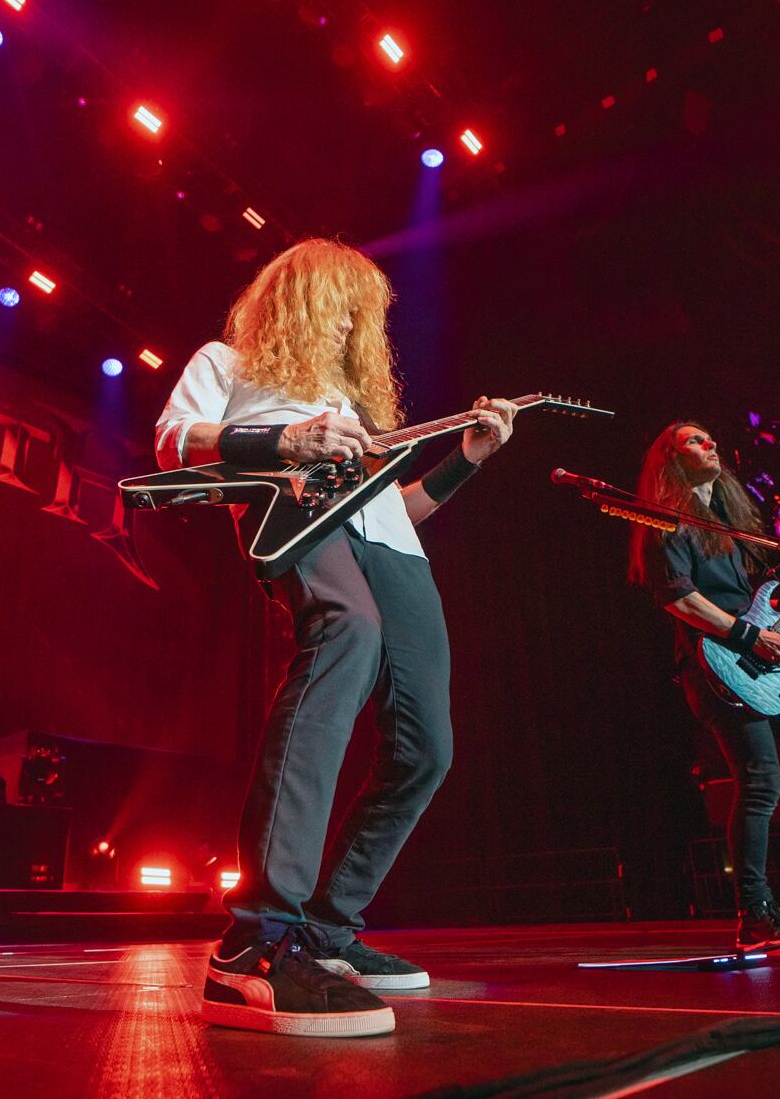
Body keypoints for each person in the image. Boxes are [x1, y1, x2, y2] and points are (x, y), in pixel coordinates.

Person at [154, 238, 517, 1037]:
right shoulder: (228, 361)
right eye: (345, 299)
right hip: (300, 529)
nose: (359, 319)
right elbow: (173, 440)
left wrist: (466, 459)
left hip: (396, 553)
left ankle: (324, 932)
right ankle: (253, 942)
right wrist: (284, 441)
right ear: (303, 295)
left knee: (427, 746)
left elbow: (398, 512)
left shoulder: (355, 409)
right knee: (345, 633)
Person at [627, 421, 780, 952]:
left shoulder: (729, 525)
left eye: (710, 439)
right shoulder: (666, 520)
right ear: (670, 458)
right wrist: (749, 635)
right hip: (718, 667)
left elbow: (759, 596)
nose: (710, 445)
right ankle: (754, 912)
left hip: (761, 662)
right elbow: (677, 597)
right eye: (694, 441)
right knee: (761, 784)